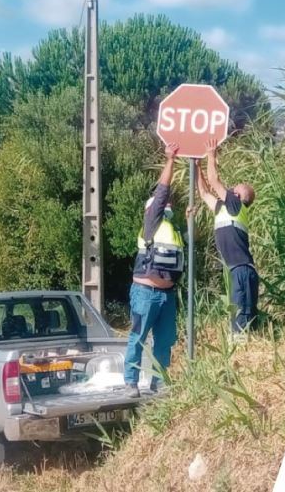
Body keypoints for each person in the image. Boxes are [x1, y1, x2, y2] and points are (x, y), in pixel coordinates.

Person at [124, 142, 184, 398]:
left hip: (167, 296)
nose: (166, 205)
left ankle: (159, 382)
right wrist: (169, 160)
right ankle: (131, 382)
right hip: (145, 292)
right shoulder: (152, 221)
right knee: (138, 336)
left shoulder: (171, 227)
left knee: (165, 341)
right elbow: (162, 192)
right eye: (162, 205)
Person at [193, 139, 259, 342]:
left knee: (241, 320)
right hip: (235, 270)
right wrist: (196, 168)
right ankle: (243, 350)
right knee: (238, 317)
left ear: (238, 196)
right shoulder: (224, 209)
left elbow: (214, 182)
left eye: (234, 188)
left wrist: (211, 154)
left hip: (242, 270)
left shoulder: (237, 206)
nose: (230, 189)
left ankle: (243, 355)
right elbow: (204, 193)